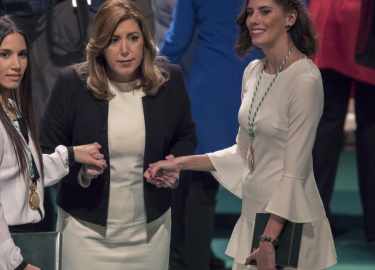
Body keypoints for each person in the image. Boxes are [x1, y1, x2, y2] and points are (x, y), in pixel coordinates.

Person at [145, 0, 337, 269]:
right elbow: (241, 154)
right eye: (250, 12)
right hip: (254, 220)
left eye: (265, 11)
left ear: (291, 17)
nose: (253, 19)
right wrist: (179, 163)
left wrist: (269, 240)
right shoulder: (252, 73)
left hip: (285, 225)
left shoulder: (305, 80)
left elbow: (295, 173)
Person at [38, 0, 197, 269]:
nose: (125, 50)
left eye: (132, 38)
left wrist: (174, 164)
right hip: (85, 233)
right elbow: (46, 152)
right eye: (113, 40)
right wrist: (81, 171)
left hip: (151, 234)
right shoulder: (72, 84)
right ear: (99, 45)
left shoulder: (169, 80)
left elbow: (186, 137)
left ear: (144, 41)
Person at [0, 16, 106, 270]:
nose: (17, 64)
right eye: (5, 54)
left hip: (17, 241)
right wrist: (15, 264)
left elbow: (22, 170)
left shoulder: (9, 106)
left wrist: (71, 156)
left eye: (22, 54)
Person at [158, 1, 259, 269]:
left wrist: (147, 71)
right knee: (266, 183)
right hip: (259, 84)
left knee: (199, 185)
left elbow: (177, 40)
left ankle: (190, 261)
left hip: (209, 88)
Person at [308, 0, 375, 241]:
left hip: (326, 18)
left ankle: (312, 224)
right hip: (365, 23)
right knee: (371, 129)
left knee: (324, 128)